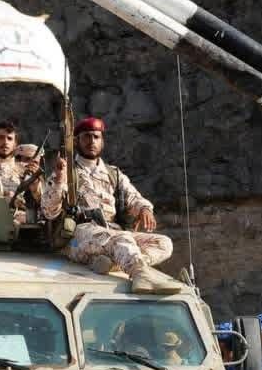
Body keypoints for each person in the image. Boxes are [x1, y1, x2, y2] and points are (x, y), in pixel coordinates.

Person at [40, 117, 179, 293]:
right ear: (76, 141)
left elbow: (133, 197)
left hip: (112, 232)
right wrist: (59, 180)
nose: (92, 141)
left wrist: (144, 209)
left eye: (96, 137)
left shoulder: (113, 173)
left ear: (102, 140)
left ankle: (112, 263)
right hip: (80, 235)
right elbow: (49, 211)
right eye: (86, 136)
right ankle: (140, 275)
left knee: (163, 243)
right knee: (122, 239)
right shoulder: (66, 171)